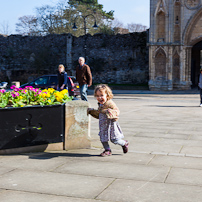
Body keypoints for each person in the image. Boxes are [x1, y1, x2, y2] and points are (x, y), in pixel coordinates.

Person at [87, 84, 129, 157]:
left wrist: (109, 112)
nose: (99, 98)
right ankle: (107, 150)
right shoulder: (100, 104)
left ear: (107, 95)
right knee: (103, 138)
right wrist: (92, 111)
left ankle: (124, 143)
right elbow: (99, 112)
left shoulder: (110, 103)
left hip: (111, 125)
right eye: (97, 96)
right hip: (103, 125)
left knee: (114, 140)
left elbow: (117, 111)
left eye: (101, 95)